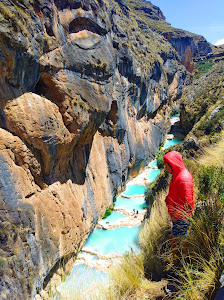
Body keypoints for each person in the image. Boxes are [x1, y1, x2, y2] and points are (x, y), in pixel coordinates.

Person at [163, 151, 195, 266]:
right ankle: (180, 265)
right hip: (179, 216)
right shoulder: (177, 175)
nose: (165, 167)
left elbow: (187, 202)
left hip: (182, 217)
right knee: (177, 242)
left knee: (177, 242)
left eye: (166, 164)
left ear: (173, 163)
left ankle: (180, 267)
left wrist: (175, 216)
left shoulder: (183, 178)